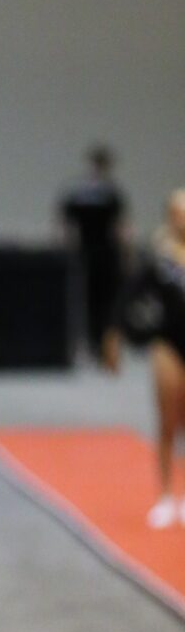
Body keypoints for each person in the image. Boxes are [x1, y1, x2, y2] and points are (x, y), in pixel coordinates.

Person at [105, 189, 185, 529]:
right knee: (168, 421)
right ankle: (166, 496)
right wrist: (114, 334)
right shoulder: (159, 257)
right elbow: (127, 295)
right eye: (179, 211)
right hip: (168, 343)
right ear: (170, 216)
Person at [59, 144, 130, 359]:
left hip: (96, 252)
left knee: (99, 301)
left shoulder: (93, 192)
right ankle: (94, 343)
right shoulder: (99, 193)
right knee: (96, 301)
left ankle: (100, 343)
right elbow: (66, 224)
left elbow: (120, 226)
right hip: (94, 252)